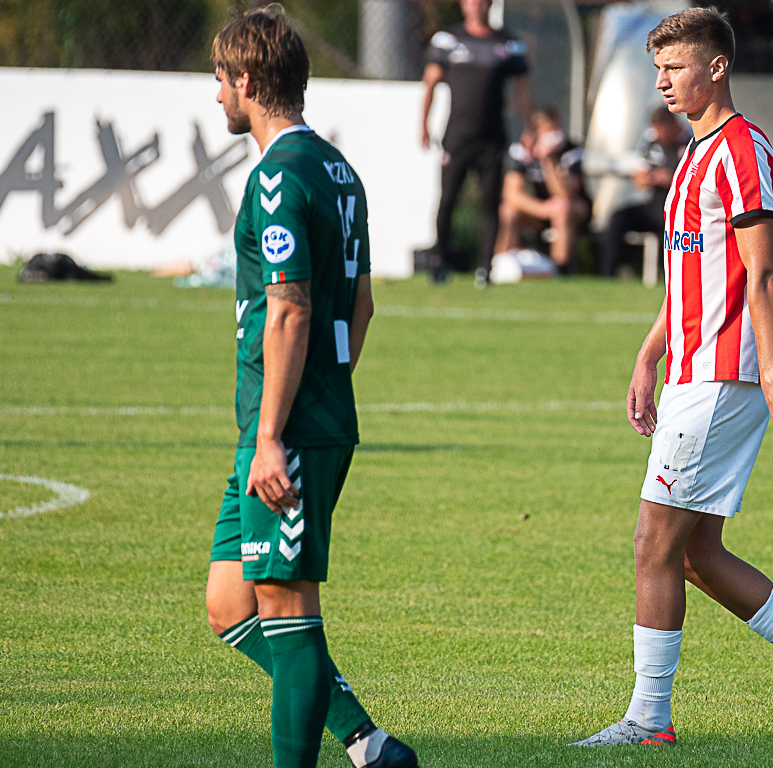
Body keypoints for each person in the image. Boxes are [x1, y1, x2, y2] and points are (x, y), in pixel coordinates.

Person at [570, 7, 773, 749]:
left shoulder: (743, 151)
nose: (662, 82)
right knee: (692, 553)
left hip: (722, 376)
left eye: (675, 67)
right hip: (692, 370)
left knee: (653, 542)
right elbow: (690, 272)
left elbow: (764, 273)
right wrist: (650, 352)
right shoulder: (696, 152)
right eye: (657, 69)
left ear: (717, 67)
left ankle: (648, 720)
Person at [204, 10, 416, 768]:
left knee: (289, 611)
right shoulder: (338, 170)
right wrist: (321, 387)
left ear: (248, 81)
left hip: (286, 428)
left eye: (220, 81)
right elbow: (362, 305)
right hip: (294, 416)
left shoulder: (276, 176)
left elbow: (290, 306)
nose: (217, 96)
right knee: (230, 603)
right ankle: (371, 745)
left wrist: (276, 432)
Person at [420, 0, 532, 285]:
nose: (477, 6)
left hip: (492, 138)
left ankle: (485, 268)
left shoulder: (507, 42)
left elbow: (521, 88)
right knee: (448, 200)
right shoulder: (448, 40)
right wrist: (423, 124)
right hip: (457, 136)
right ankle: (439, 263)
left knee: (490, 203)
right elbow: (430, 82)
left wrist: (529, 127)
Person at [494, 106, 590, 274]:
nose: (554, 134)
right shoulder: (523, 151)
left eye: (557, 128)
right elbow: (511, 194)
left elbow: (567, 195)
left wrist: (548, 161)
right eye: (549, 130)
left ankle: (559, 269)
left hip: (574, 208)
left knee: (562, 208)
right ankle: (500, 266)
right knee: (508, 211)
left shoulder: (572, 151)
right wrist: (542, 209)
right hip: (541, 208)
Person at [601, 106, 688, 277]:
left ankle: (670, 275)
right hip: (656, 203)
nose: (659, 136)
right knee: (618, 217)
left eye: (662, 131)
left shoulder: (691, 138)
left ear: (673, 125)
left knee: (672, 224)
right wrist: (651, 178)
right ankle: (610, 274)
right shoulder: (651, 140)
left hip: (682, 206)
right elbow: (638, 178)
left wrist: (671, 178)